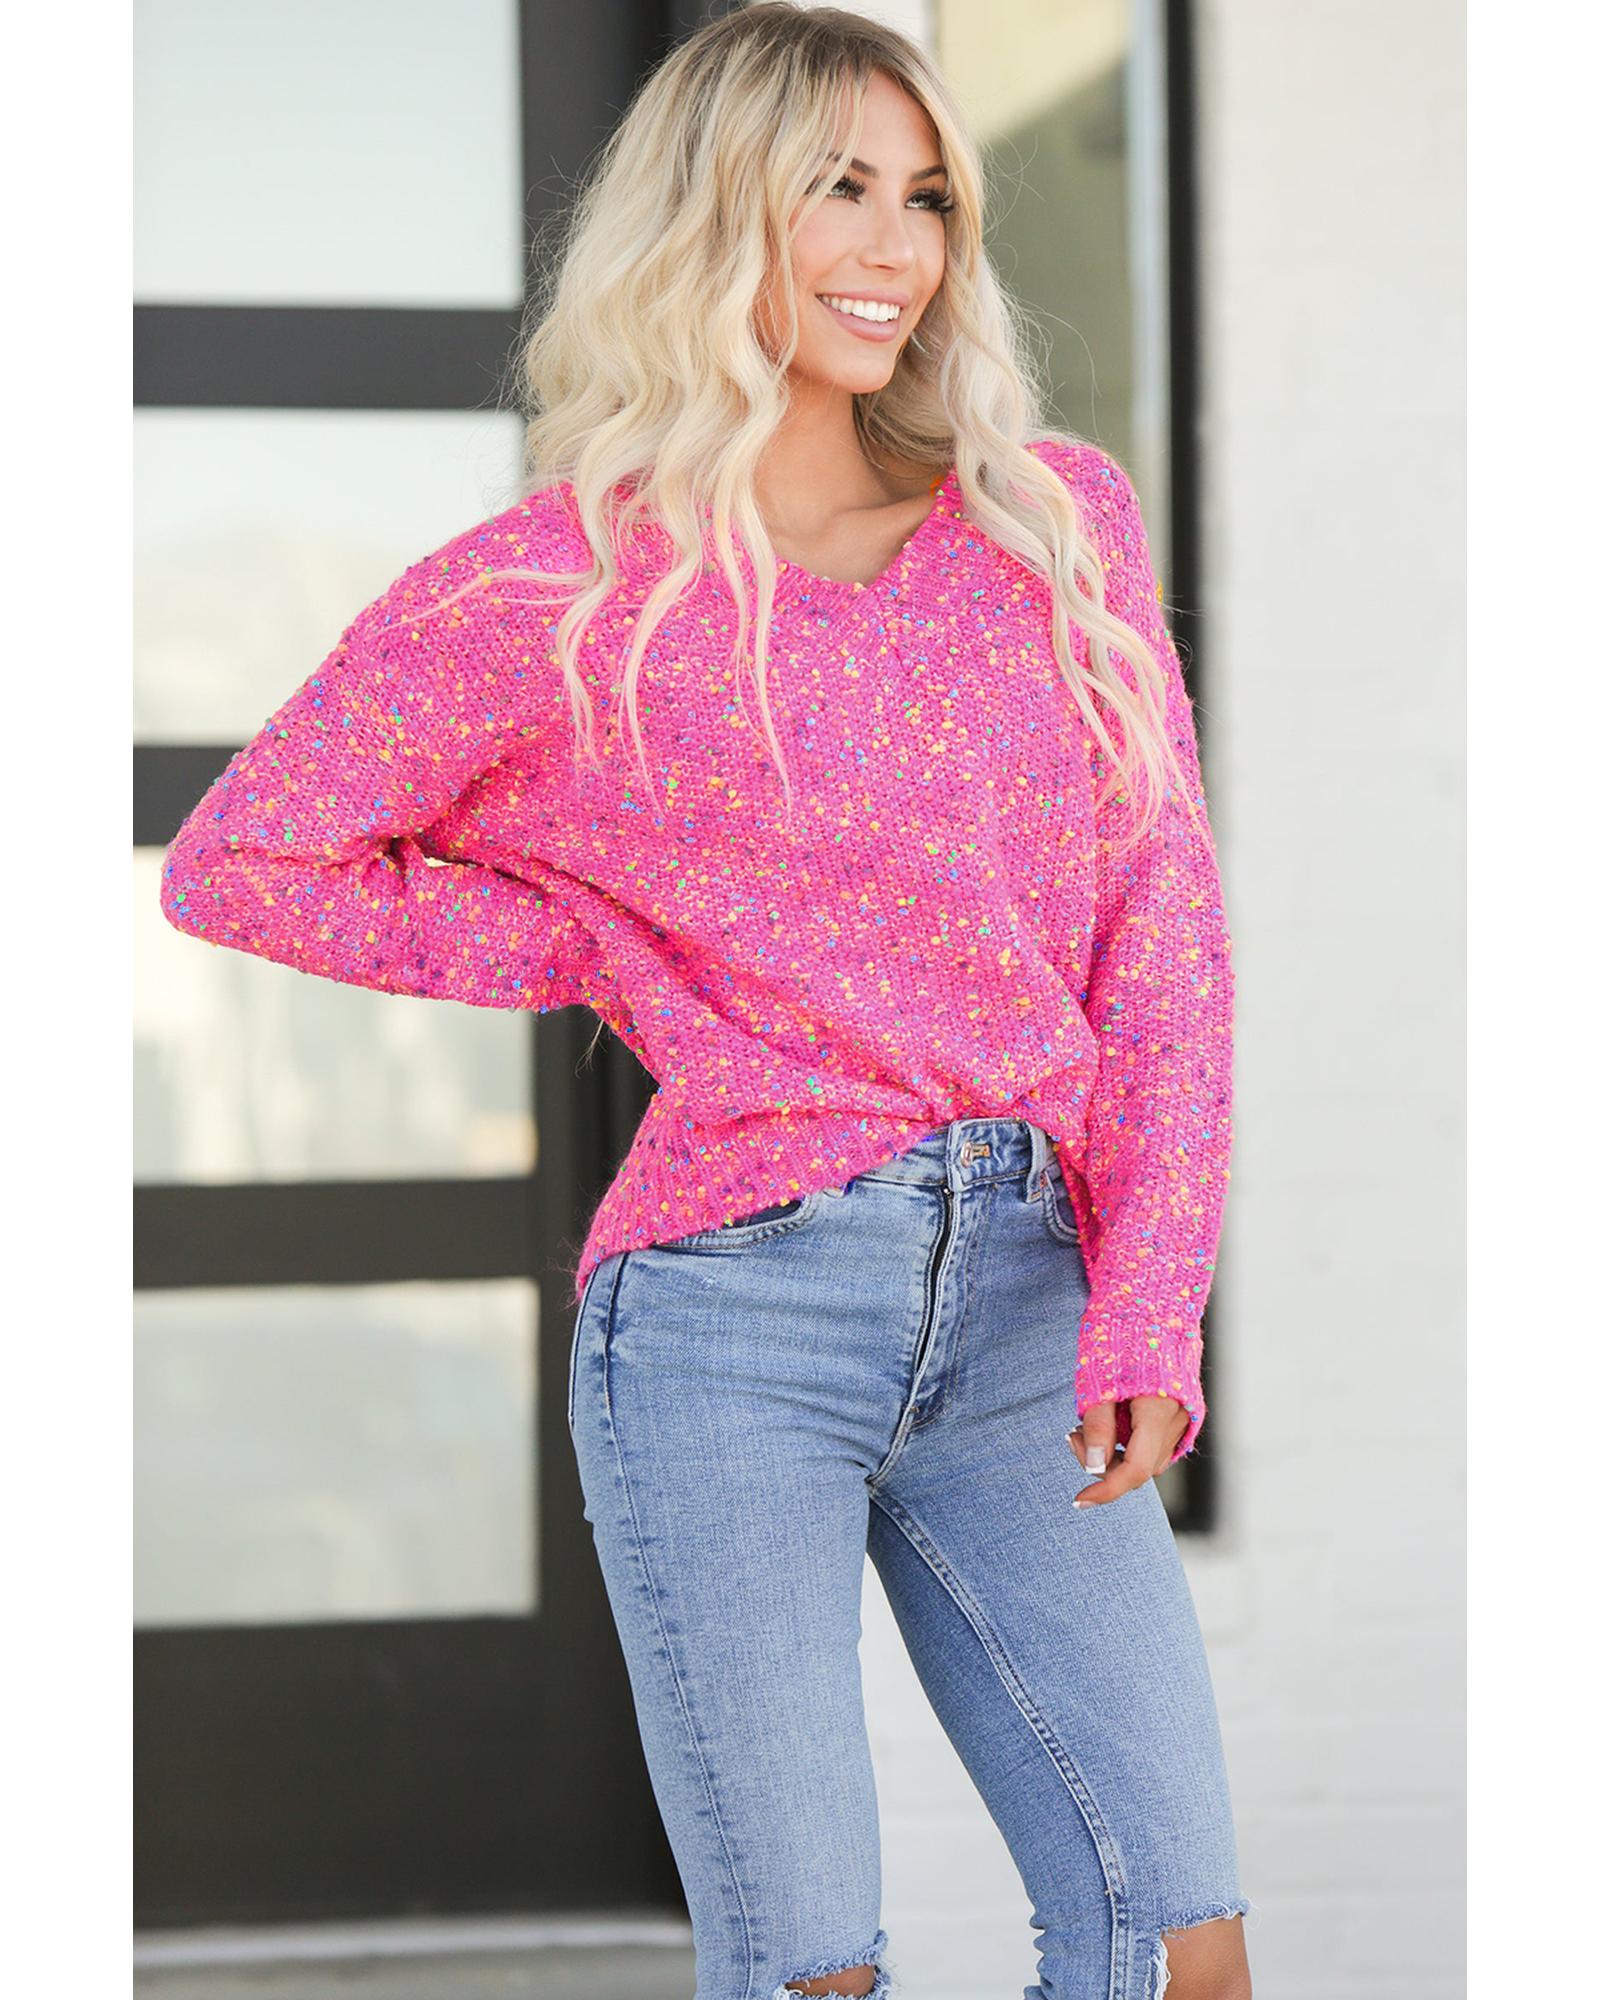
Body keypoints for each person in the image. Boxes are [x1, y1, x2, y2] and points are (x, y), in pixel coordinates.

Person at [159, 7, 1251, 1996]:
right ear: (711, 213)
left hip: (1034, 1287)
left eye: (928, 197)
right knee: (809, 1969)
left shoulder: (1049, 521)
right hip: (733, 1318)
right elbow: (244, 857)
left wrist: (1149, 1291)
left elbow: (1161, 928)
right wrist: (595, 941)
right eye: (838, 188)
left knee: (1175, 1940)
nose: (896, 245)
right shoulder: (552, 591)